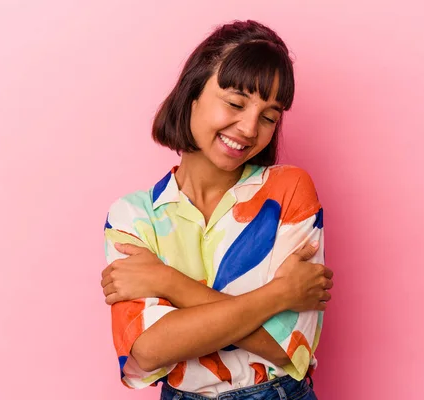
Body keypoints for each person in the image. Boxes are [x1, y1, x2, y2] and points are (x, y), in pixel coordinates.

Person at [100, 19, 333, 400]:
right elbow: (149, 350)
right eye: (236, 103)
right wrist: (278, 295)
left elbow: (289, 350)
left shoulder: (289, 190)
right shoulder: (132, 215)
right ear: (193, 93)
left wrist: (166, 282)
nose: (248, 127)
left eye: (269, 117)